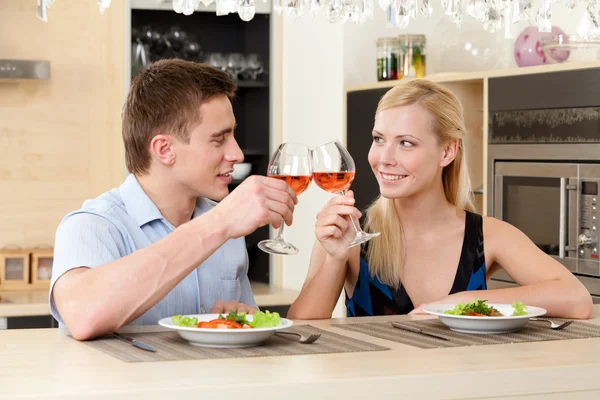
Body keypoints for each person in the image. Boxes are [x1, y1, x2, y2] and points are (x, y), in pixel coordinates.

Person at [287, 79, 593, 320]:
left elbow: (576, 299)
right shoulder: (348, 234)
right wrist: (335, 258)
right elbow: (302, 328)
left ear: (447, 151)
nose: (384, 158)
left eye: (406, 143)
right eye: (379, 139)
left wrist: (462, 302)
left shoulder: (487, 235)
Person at [50, 59, 298, 340]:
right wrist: (221, 221)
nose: (238, 154)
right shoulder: (92, 226)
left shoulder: (226, 230)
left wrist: (233, 319)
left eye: (233, 135)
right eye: (219, 139)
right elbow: (83, 315)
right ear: (164, 149)